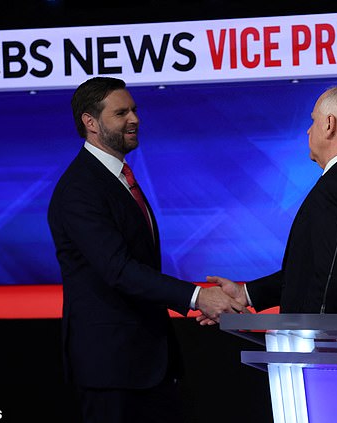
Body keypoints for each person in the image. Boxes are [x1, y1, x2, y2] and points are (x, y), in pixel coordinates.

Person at [47, 76, 243, 423]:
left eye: (134, 110)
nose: (134, 119)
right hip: (111, 369)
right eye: (120, 113)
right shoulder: (80, 189)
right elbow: (119, 270)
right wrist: (199, 297)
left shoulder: (118, 178)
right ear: (90, 123)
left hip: (148, 363)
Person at [201, 85, 337, 325]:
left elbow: (331, 281)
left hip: (330, 353)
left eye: (313, 120)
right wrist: (246, 294)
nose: (308, 131)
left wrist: (302, 337)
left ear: (329, 124)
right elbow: (316, 271)